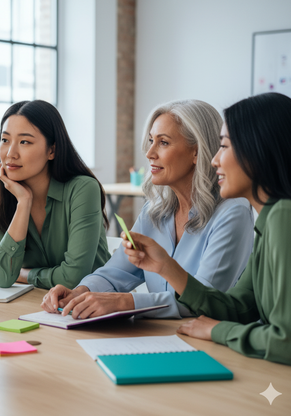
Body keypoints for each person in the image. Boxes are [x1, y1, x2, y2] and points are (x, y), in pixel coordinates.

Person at [120, 93, 291, 366]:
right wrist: (166, 266)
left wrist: (218, 331)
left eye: (224, 147)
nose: (214, 160)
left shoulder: (284, 216)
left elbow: (288, 342)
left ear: (259, 151)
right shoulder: (270, 217)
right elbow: (237, 308)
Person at [41, 99, 254, 319]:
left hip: (210, 342)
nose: (150, 152)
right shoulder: (155, 210)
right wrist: (79, 292)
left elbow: (206, 298)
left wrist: (127, 302)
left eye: (163, 143)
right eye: (151, 140)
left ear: (196, 152)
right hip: (159, 335)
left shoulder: (232, 213)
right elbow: (118, 271)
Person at [0, 100, 111, 289]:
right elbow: (0, 276)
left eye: (24, 142)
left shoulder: (83, 189)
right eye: (5, 140)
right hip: (37, 307)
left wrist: (25, 275)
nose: (10, 153)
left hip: (93, 307)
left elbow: (73, 278)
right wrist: (23, 202)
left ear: (51, 150)